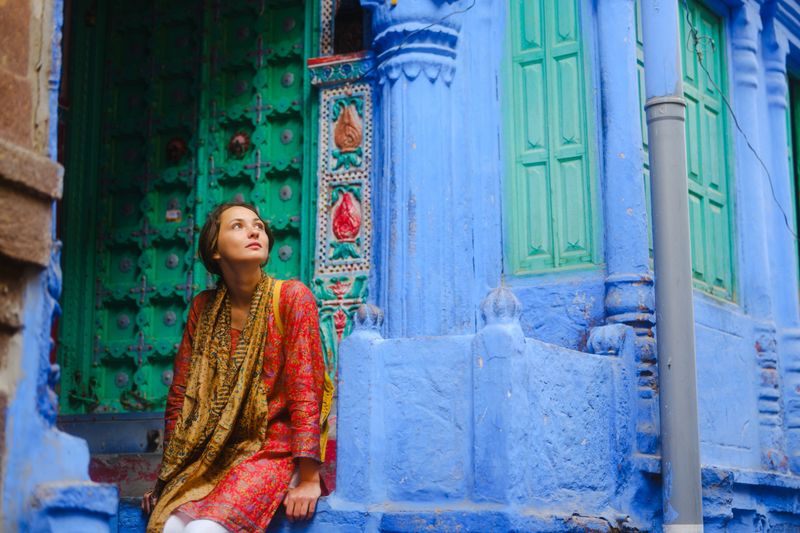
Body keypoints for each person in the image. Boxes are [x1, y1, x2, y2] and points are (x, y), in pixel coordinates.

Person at [142, 202, 333, 533]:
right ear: (215, 250)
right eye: (238, 226)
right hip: (215, 455)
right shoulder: (203, 308)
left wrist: (308, 479)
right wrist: (169, 478)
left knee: (204, 530)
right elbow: (182, 399)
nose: (254, 230)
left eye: (258, 225)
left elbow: (306, 389)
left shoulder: (291, 298)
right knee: (170, 525)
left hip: (274, 451)